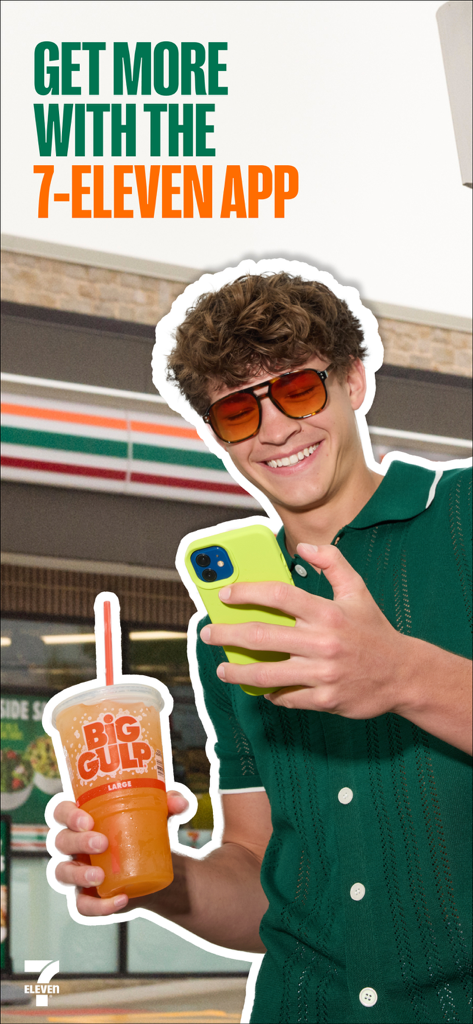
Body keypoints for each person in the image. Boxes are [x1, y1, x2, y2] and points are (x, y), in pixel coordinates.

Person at [53, 271, 472, 1024]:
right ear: (217, 433)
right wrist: (151, 875)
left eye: (299, 390)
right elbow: (256, 881)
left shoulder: (464, 520)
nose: (275, 429)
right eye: (239, 409)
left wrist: (403, 675)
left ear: (354, 381)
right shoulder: (226, 625)